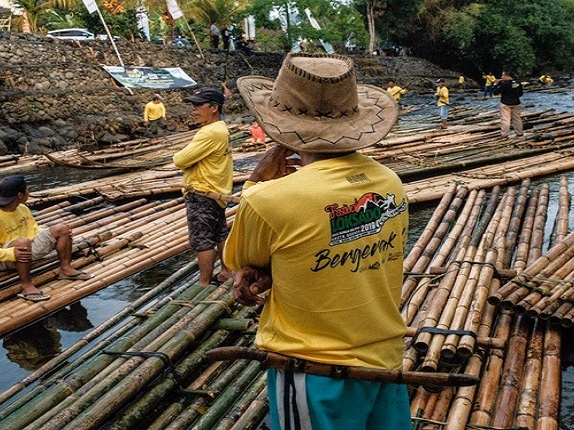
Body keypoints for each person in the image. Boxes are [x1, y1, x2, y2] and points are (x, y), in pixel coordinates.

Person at [229, 52, 411, 429]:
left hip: (315, 370)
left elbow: (244, 262)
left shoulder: (267, 199)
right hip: (385, 356)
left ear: (280, 129)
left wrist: (255, 181)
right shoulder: (390, 182)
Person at [0, 175, 92, 303]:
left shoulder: (22, 208)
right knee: (23, 242)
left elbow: (34, 229)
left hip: (26, 248)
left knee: (62, 229)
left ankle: (65, 269)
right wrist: (10, 253)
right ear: (20, 195)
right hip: (0, 259)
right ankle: (26, 286)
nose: (29, 192)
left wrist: (58, 236)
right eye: (27, 190)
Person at [173, 87, 233, 287]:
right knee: (220, 233)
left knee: (203, 239)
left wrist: (185, 160)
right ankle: (226, 271)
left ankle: (204, 283)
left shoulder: (209, 132)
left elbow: (180, 160)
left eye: (199, 105)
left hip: (202, 192)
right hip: (217, 192)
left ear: (214, 108)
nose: (194, 109)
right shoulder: (221, 128)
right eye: (193, 105)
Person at [492, 70, 524, 138]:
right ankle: (520, 133)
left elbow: (495, 92)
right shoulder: (518, 83)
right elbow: (521, 93)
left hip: (505, 103)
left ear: (508, 76)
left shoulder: (505, 84)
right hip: (516, 102)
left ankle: (505, 134)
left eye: (503, 75)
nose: (502, 77)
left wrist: (495, 85)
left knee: (505, 119)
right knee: (517, 118)